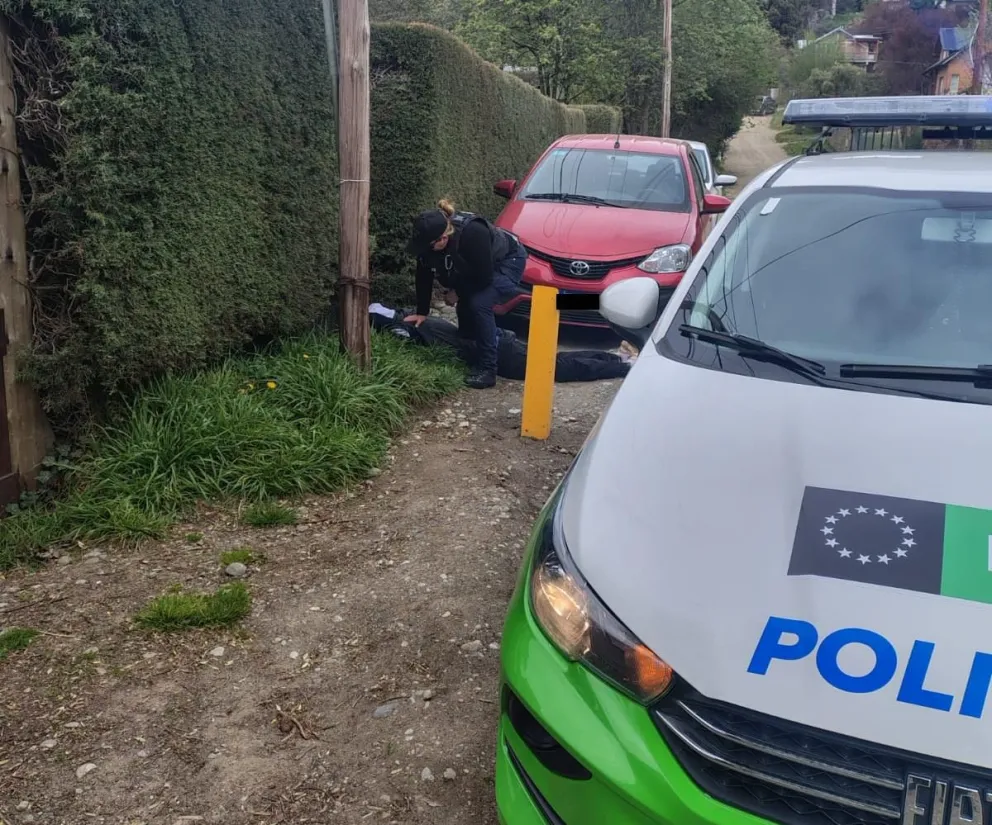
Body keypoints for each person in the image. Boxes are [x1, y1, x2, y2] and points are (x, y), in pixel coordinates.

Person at [405, 199, 527, 389]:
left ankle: (488, 369)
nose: (423, 251)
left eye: (427, 246)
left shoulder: (473, 234)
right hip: (478, 268)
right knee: (467, 319)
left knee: (479, 303)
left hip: (508, 261)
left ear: (442, 239)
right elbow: (423, 274)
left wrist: (458, 293)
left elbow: (483, 278)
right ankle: (490, 342)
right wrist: (422, 312)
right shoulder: (430, 242)